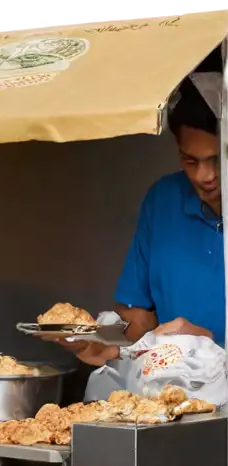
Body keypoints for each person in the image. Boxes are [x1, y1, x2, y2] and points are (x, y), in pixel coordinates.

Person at [60, 76, 225, 369]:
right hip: (170, 398)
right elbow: (139, 320)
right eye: (190, 161)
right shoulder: (164, 202)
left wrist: (208, 342)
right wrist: (99, 341)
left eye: (218, 159)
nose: (204, 176)